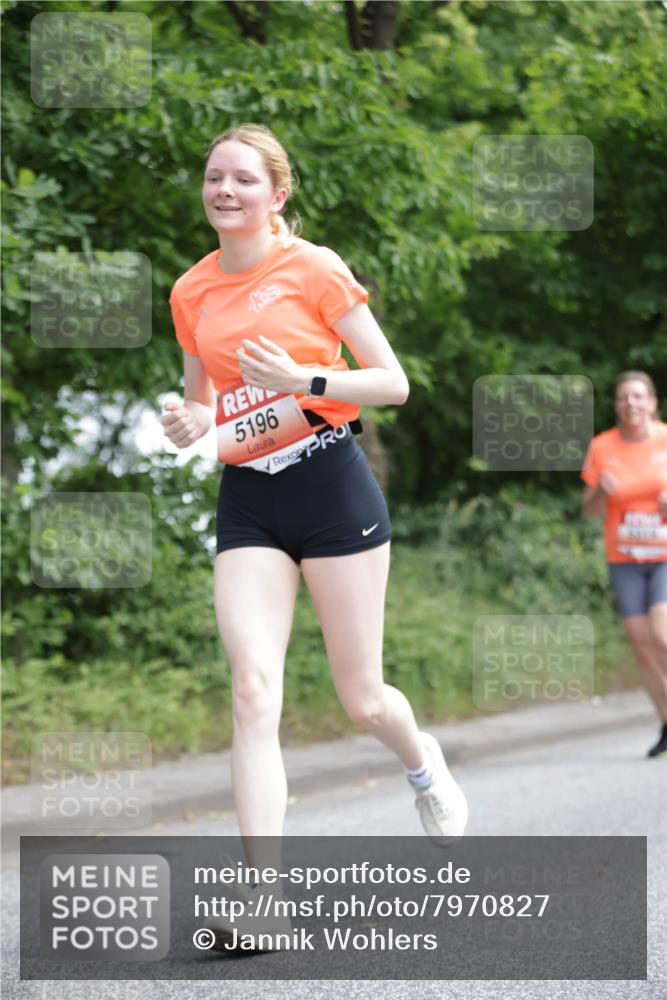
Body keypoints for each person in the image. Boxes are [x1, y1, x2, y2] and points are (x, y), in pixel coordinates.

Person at [161, 123, 468, 867]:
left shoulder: (314, 268)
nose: (225, 191)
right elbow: (201, 397)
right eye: (215, 177)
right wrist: (190, 419)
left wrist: (304, 380)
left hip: (330, 484)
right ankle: (263, 894)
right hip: (248, 496)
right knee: (251, 692)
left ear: (277, 195)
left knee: (363, 700)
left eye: (244, 179)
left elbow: (393, 383)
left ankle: (422, 765)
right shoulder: (191, 290)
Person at [581, 370, 667, 758]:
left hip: (664, 556)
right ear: (617, 405)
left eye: (638, 396)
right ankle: (665, 723)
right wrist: (600, 490)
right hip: (624, 558)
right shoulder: (602, 447)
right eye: (623, 397)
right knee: (642, 645)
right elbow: (589, 510)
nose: (630, 403)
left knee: (662, 635)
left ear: (652, 402)